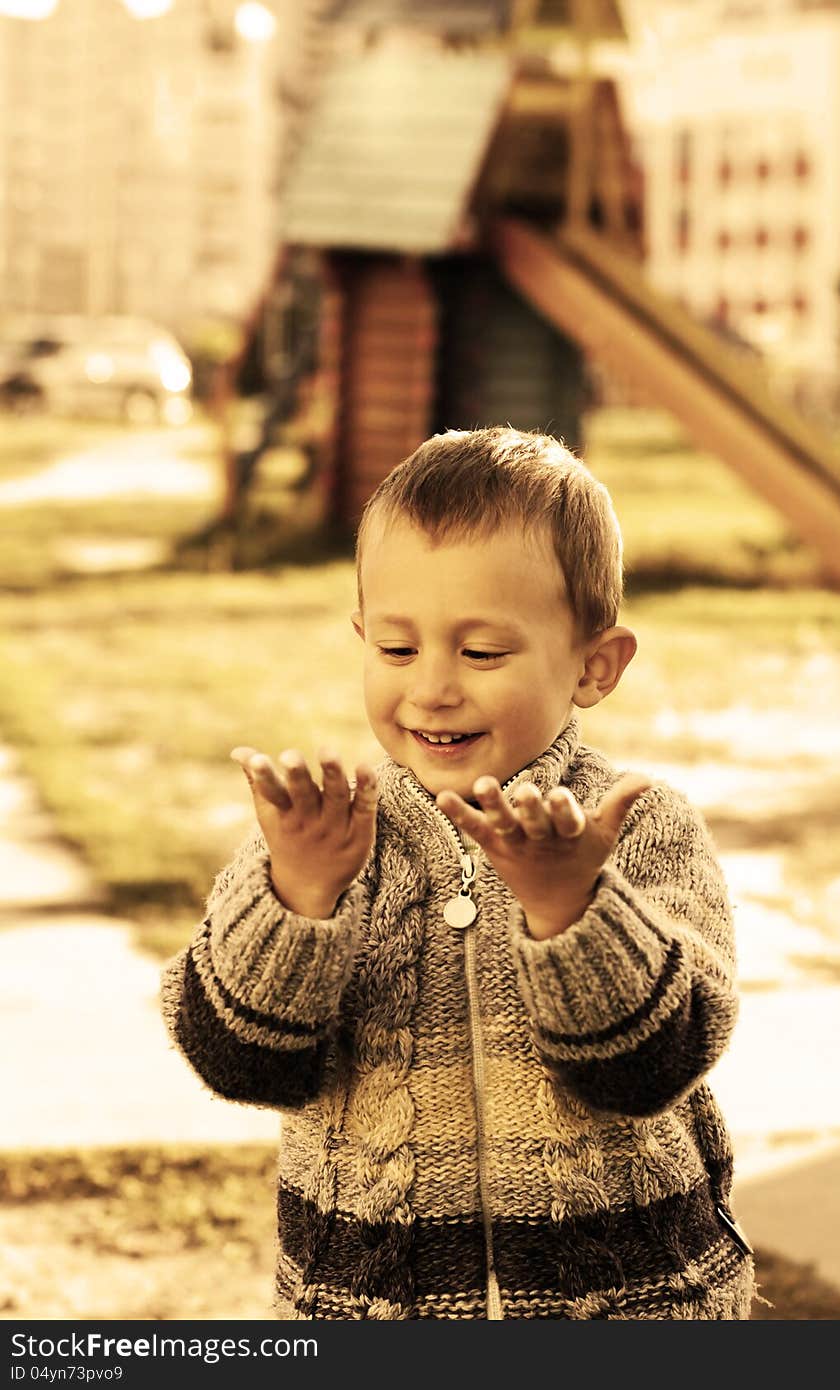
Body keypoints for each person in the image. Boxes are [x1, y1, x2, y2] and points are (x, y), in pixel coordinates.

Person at [160, 426, 755, 1320]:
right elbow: (241, 1063)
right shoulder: (324, 837)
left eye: (481, 653)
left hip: (633, 1303)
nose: (433, 688)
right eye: (397, 650)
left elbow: (655, 1068)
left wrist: (570, 911)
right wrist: (300, 901)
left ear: (595, 664)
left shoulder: (636, 829)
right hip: (367, 1306)